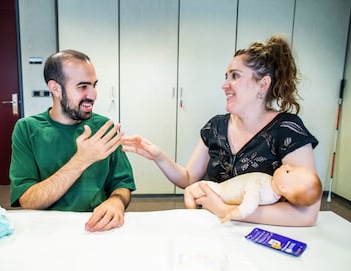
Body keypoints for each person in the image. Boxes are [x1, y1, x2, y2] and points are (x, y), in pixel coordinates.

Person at [121, 35, 320, 226]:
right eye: (226, 76)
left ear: (263, 84)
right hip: (213, 230)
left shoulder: (287, 129)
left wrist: (226, 211)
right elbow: (189, 179)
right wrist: (158, 156)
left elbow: (306, 215)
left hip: (257, 235)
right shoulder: (216, 126)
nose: (224, 85)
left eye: (235, 76)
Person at [9, 50, 136, 232]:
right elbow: (28, 201)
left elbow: (122, 184)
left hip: (96, 228)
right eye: (83, 87)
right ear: (56, 89)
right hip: (46, 230)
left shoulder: (104, 128)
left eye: (94, 85)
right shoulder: (27, 129)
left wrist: (116, 202)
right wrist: (81, 160)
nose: (93, 95)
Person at [184, 165, 322, 223]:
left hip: (220, 192)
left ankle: (192, 216)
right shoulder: (270, 187)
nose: (286, 166)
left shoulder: (262, 188)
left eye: (288, 171)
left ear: (283, 188)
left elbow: (249, 205)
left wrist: (231, 213)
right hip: (221, 191)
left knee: (189, 191)